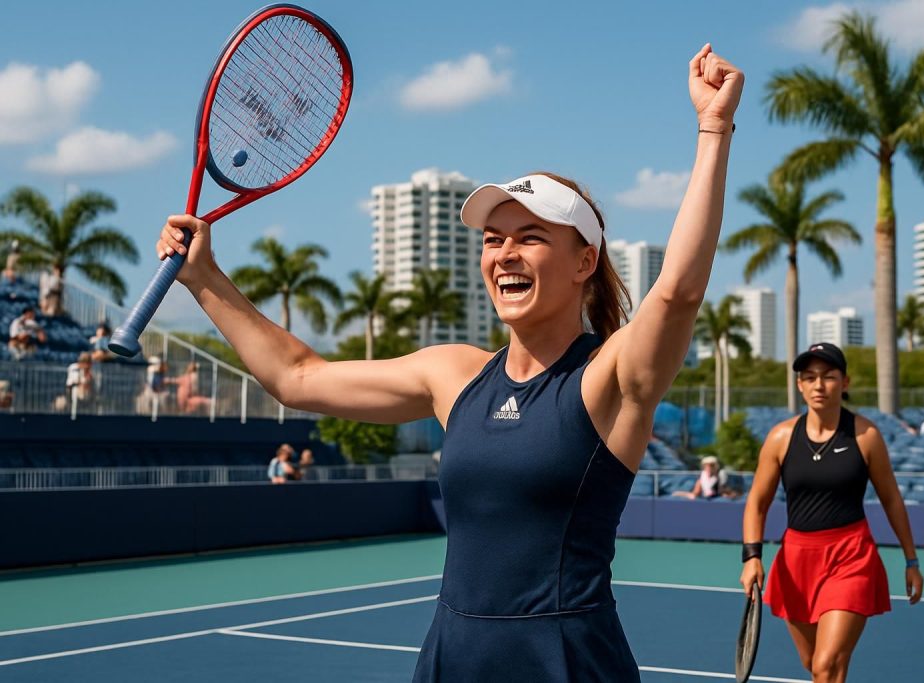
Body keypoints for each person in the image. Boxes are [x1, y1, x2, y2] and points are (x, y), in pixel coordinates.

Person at [154, 43, 743, 681]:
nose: (504, 254)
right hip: (452, 657)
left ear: (583, 264)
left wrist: (713, 128)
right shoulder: (454, 374)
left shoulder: (608, 380)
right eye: (493, 240)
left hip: (565, 661)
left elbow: (679, 291)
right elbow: (298, 378)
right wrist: (205, 278)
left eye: (530, 237)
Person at [741, 343, 923, 682]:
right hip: (796, 563)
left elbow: (891, 499)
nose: (818, 385)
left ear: (845, 382)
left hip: (851, 557)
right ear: (799, 385)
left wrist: (911, 561)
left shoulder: (866, 435)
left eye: (828, 377)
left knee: (827, 666)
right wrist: (751, 556)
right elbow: (757, 502)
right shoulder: (780, 437)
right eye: (809, 377)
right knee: (814, 665)